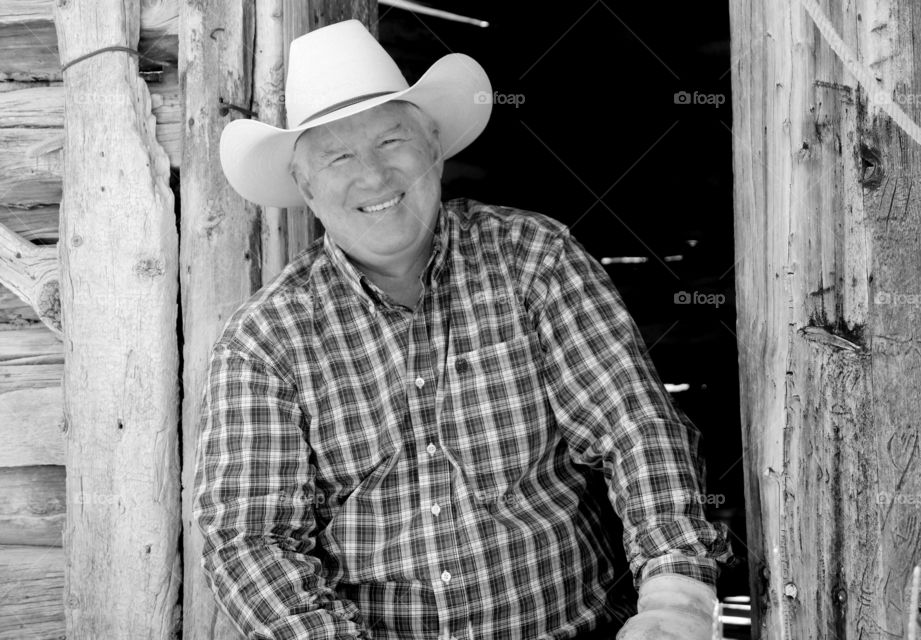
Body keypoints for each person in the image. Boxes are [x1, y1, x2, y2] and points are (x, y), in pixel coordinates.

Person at [195, 19, 733, 640]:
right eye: (338, 156)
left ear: (434, 148)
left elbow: (635, 430)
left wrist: (674, 601)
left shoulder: (534, 259)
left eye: (392, 142)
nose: (373, 176)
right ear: (305, 187)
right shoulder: (264, 342)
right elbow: (250, 541)